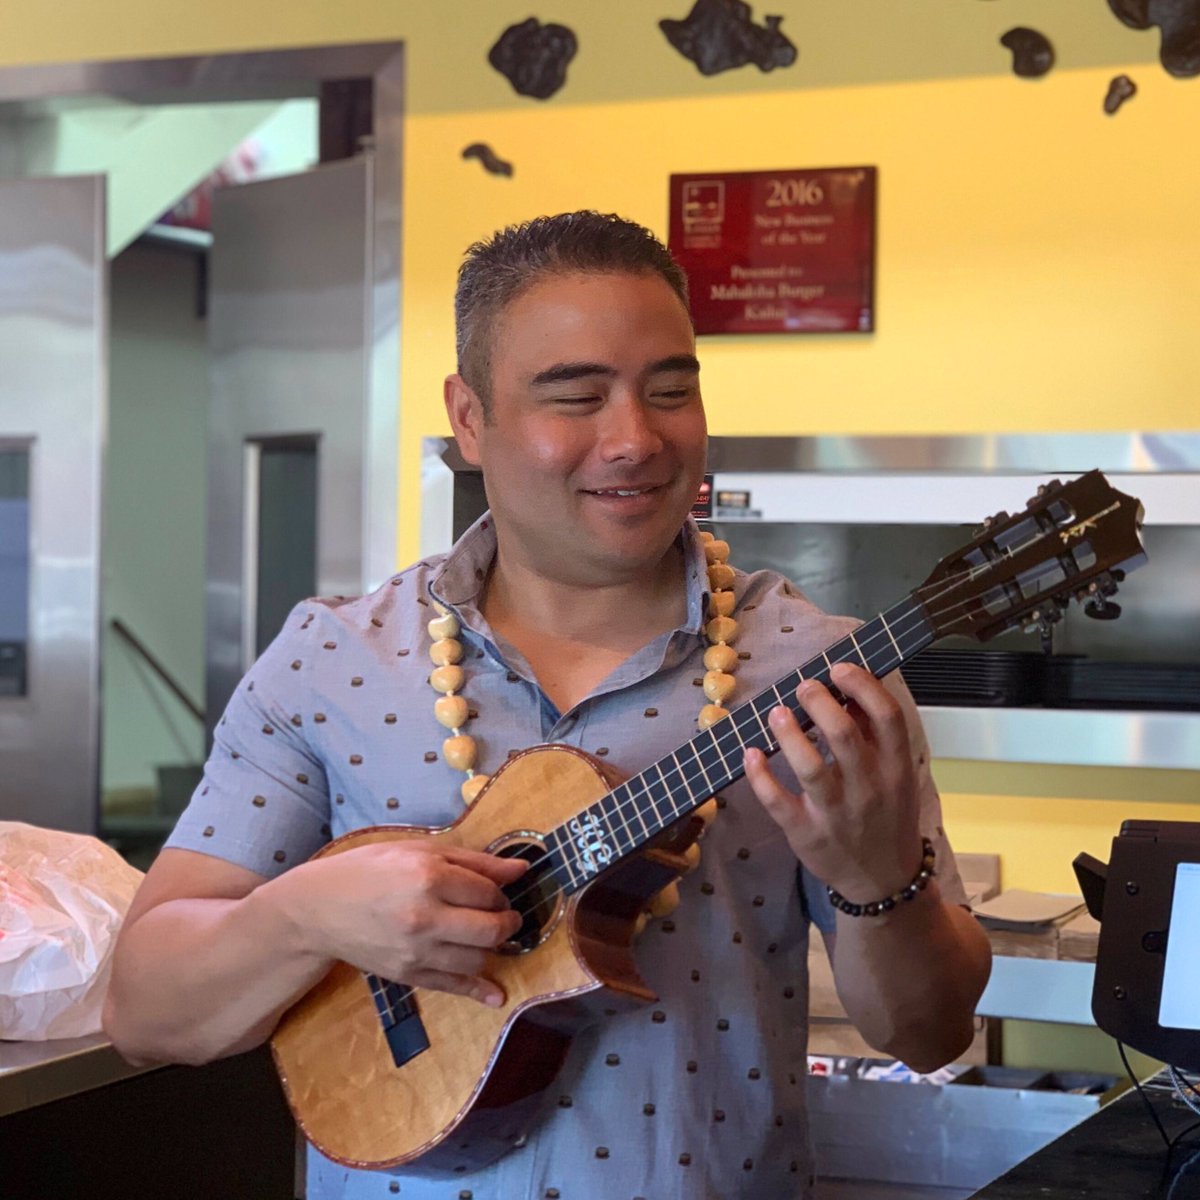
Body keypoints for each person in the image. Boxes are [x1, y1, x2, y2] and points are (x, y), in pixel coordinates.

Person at [104, 210, 991, 1199]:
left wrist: (879, 883)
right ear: (471, 417)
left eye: (672, 391)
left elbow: (931, 1032)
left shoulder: (823, 675)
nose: (636, 439)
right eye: (576, 396)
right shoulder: (331, 659)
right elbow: (146, 1011)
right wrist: (304, 918)